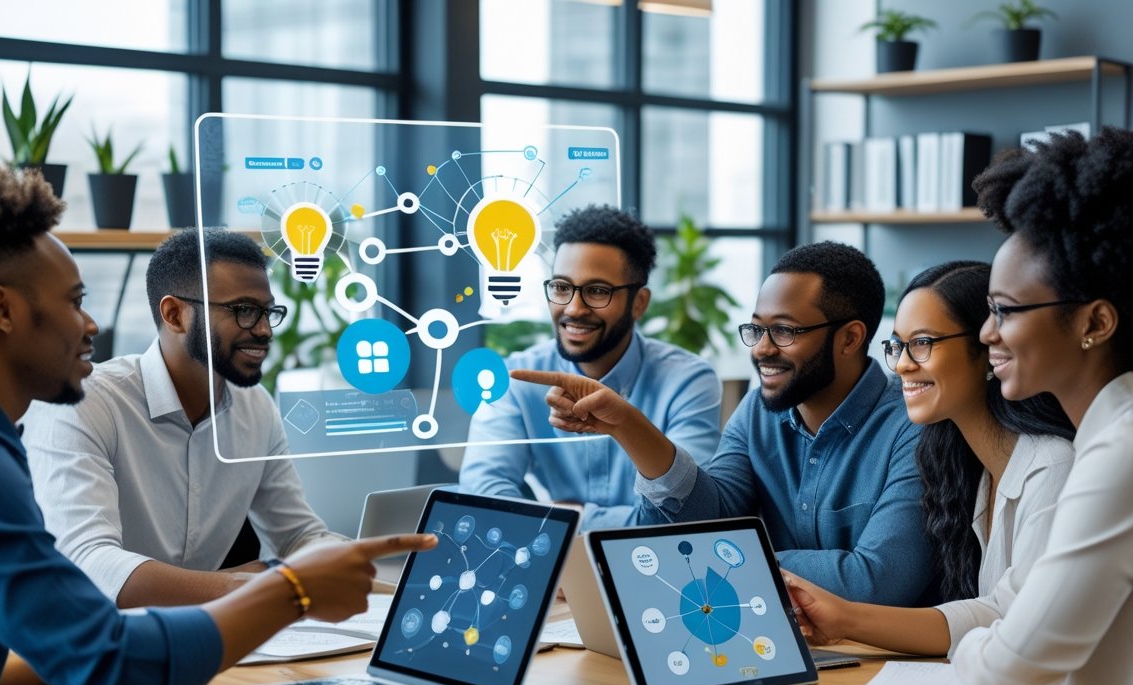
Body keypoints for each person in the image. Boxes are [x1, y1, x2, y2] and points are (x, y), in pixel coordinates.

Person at [0, 163, 434, 685]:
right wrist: (289, 591)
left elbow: (11, 657)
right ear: (3, 310)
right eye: (74, 301)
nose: (91, 324)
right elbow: (110, 666)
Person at [794, 127, 1133, 685]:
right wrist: (849, 617)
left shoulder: (1111, 455)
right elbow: (1004, 608)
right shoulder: (1065, 447)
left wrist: (980, 648)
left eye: (1007, 311)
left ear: (1095, 324)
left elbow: (1010, 669)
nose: (988, 332)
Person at [515, 241, 934, 604]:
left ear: (850, 338)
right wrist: (626, 424)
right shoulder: (757, 412)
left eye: (784, 331)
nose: (761, 349)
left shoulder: (914, 429)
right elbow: (706, 520)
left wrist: (725, 558)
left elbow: (877, 581)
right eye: (756, 329)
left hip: (889, 661)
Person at [22, 228, 345, 607]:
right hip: (96, 633)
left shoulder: (256, 408)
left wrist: (368, 563)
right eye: (243, 311)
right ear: (174, 314)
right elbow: (89, 563)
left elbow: (297, 536)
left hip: (201, 631)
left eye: (266, 312)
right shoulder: (87, 403)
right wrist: (250, 585)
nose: (262, 330)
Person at [779, 260, 1074, 656]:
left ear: (988, 345)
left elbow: (1019, 626)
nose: (903, 363)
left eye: (922, 343)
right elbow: (991, 613)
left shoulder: (1052, 468)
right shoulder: (970, 471)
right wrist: (842, 617)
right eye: (897, 346)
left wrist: (845, 616)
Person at [459, 205, 721, 529]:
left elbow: (689, 511)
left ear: (639, 303)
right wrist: (624, 520)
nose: (573, 308)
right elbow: (483, 497)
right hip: (559, 556)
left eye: (597, 291)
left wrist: (570, 518)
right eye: (561, 287)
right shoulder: (517, 378)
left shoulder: (687, 380)